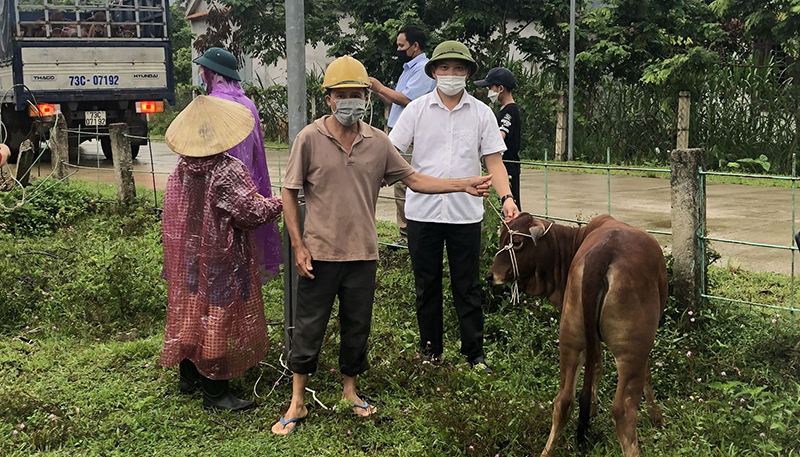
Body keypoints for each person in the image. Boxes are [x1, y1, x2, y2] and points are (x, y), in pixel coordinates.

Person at [272, 55, 494, 435]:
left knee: (357, 327)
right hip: (319, 253)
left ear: (366, 97)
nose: (350, 101)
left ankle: (350, 392)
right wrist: (298, 245)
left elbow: (415, 180)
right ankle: (297, 401)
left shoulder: (377, 143)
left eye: (356, 94)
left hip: (363, 254)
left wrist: (463, 183)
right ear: (328, 98)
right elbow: (289, 194)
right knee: (308, 327)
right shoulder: (309, 138)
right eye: (342, 94)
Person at [389, 41, 520, 374]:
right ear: (433, 72)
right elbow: (391, 152)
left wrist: (507, 199)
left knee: (468, 286)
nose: (451, 74)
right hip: (422, 213)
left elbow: (494, 161)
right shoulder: (416, 110)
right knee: (426, 284)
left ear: (467, 74)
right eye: (444, 68)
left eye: (459, 69)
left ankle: (474, 354)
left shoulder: (481, 113)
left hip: (465, 214)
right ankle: (430, 353)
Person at [159, 95, 283, 411]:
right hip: (221, 256)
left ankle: (189, 377)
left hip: (190, 253)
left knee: (190, 308)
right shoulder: (227, 169)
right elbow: (249, 213)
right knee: (218, 313)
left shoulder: (183, 167)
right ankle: (215, 391)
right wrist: (279, 202)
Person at [194, 47, 283, 282]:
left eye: (203, 71)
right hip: (246, 191)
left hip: (215, 193)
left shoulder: (209, 104)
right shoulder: (248, 104)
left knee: (217, 259)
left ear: (210, 74)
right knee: (243, 255)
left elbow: (197, 151)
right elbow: (258, 156)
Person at [368, 25, 436, 244]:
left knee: (404, 181)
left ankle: (410, 235)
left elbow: (407, 99)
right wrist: (376, 90)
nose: (398, 49)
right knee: (399, 183)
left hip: (411, 136)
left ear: (415, 46)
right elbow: (393, 100)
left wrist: (379, 86)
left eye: (401, 45)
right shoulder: (408, 70)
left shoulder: (423, 69)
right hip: (397, 132)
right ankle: (406, 233)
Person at [475, 67, 522, 209]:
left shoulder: (510, 110)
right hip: (501, 164)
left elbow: (500, 136)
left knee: (509, 203)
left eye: (491, 87)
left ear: (501, 88)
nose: (489, 91)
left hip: (507, 165)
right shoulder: (503, 109)